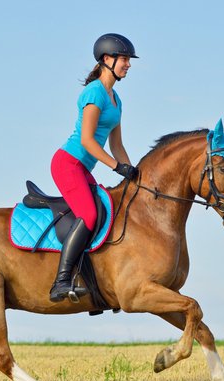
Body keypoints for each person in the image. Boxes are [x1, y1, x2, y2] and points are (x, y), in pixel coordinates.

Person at [49, 33, 139, 302]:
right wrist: (115, 167)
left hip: (83, 167)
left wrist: (132, 171)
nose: (128, 65)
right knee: (88, 215)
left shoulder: (116, 99)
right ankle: (60, 282)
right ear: (107, 59)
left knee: (104, 210)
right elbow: (88, 140)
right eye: (124, 59)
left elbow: (117, 145)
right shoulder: (93, 92)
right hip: (67, 163)